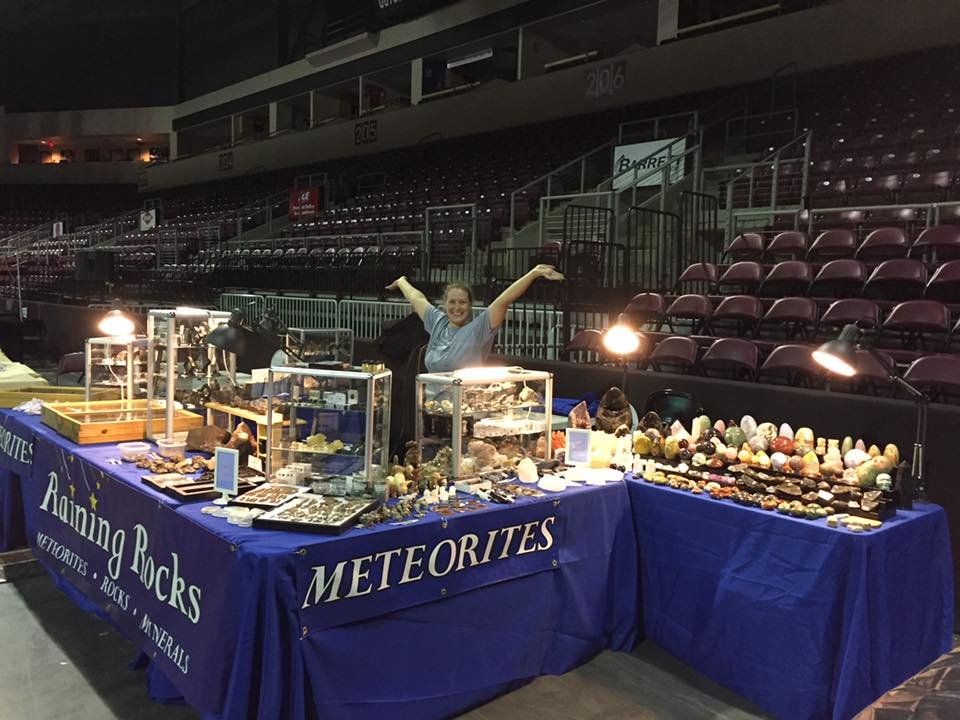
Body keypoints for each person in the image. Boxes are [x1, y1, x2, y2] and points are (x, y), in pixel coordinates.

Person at [386, 265, 565, 372]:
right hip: (431, 410)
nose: (457, 308)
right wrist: (401, 282)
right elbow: (417, 298)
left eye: (462, 302)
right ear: (444, 304)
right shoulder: (437, 322)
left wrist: (533, 273)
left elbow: (503, 301)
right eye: (452, 302)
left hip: (465, 412)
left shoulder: (479, 329)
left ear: (470, 305)